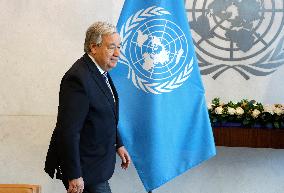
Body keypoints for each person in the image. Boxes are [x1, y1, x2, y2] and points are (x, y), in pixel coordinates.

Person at [44, 21, 131, 193]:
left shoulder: (99, 70)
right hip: (85, 170)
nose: (117, 53)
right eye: (111, 47)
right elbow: (68, 131)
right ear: (93, 47)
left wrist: (118, 143)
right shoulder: (78, 78)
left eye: (119, 47)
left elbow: (104, 114)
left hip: (97, 165)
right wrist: (74, 175)